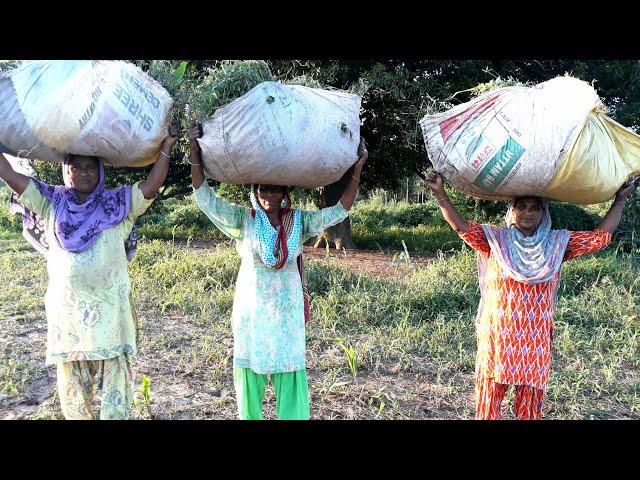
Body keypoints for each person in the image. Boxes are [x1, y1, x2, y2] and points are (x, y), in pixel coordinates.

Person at [0, 124, 180, 419]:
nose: (83, 173)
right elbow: (10, 176)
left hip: (110, 315)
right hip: (68, 319)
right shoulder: (50, 202)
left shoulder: (118, 204)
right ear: (65, 171)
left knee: (116, 396)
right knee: (74, 400)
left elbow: (151, 185)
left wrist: (167, 146)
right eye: (76, 167)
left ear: (100, 172)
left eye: (90, 168)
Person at [188, 123, 368, 419]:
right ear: (255, 191)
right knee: (249, 376)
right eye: (264, 188)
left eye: (275, 188)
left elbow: (340, 210)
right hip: (252, 312)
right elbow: (205, 198)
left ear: (285, 193)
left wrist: (357, 170)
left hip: (286, 313)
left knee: (290, 373)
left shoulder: (299, 221)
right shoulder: (242, 220)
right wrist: (195, 151)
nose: (269, 194)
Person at [426, 171, 638, 419]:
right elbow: (460, 226)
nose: (528, 212)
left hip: (534, 341)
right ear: (512, 211)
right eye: (522, 207)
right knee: (488, 404)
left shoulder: (558, 244)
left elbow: (599, 239)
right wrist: (440, 193)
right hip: (498, 337)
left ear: (543, 213)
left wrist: (620, 200)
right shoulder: (495, 240)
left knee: (529, 408)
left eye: (535, 208)